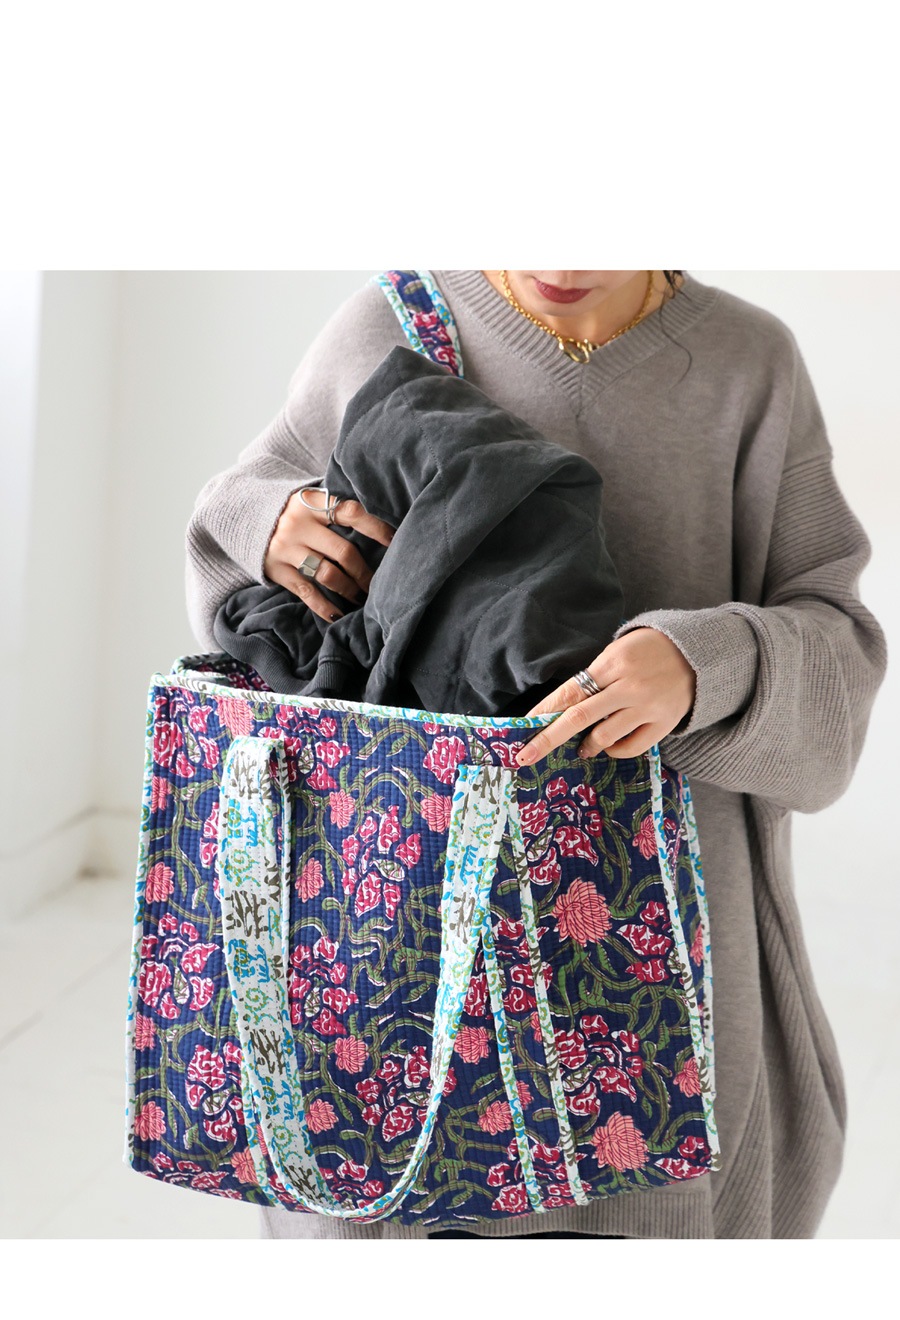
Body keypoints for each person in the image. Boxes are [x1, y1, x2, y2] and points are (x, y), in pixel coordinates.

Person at [185, 270, 887, 1240]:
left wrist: (702, 664)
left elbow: (839, 643)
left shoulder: (744, 365)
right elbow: (242, 580)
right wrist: (268, 523)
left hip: (671, 977)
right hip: (400, 954)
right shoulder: (390, 327)